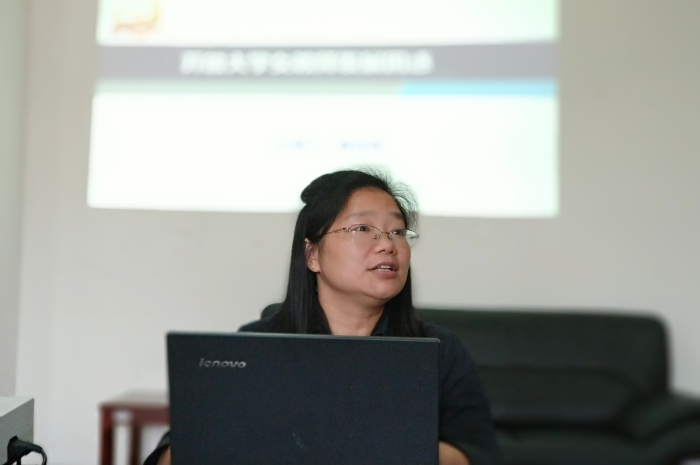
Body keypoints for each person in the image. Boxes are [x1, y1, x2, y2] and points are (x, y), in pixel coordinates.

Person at [145, 169, 501, 465]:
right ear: (312, 254)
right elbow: (173, 455)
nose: (387, 244)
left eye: (397, 232)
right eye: (362, 229)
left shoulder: (440, 350)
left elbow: (477, 454)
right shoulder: (257, 347)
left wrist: (379, 447)